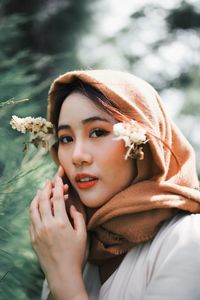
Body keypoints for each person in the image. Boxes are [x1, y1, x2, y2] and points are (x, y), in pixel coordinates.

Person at [29, 70, 200, 300]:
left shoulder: (187, 239)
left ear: (144, 146)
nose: (77, 156)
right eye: (66, 139)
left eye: (97, 132)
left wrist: (66, 281)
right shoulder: (70, 247)